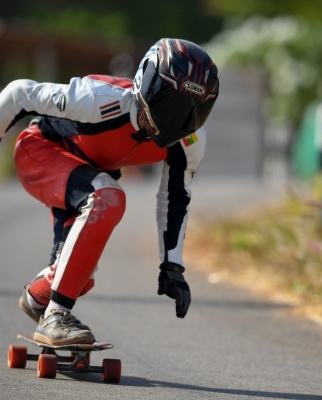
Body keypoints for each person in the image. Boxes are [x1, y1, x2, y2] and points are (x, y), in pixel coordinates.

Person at [0, 38, 219, 345]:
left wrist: (172, 265)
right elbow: (18, 94)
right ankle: (56, 315)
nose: (178, 121)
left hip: (87, 176)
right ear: (147, 81)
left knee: (79, 272)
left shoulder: (190, 142)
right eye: (170, 104)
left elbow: (174, 198)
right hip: (41, 151)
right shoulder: (98, 99)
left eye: (192, 110)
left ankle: (40, 299)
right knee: (108, 196)